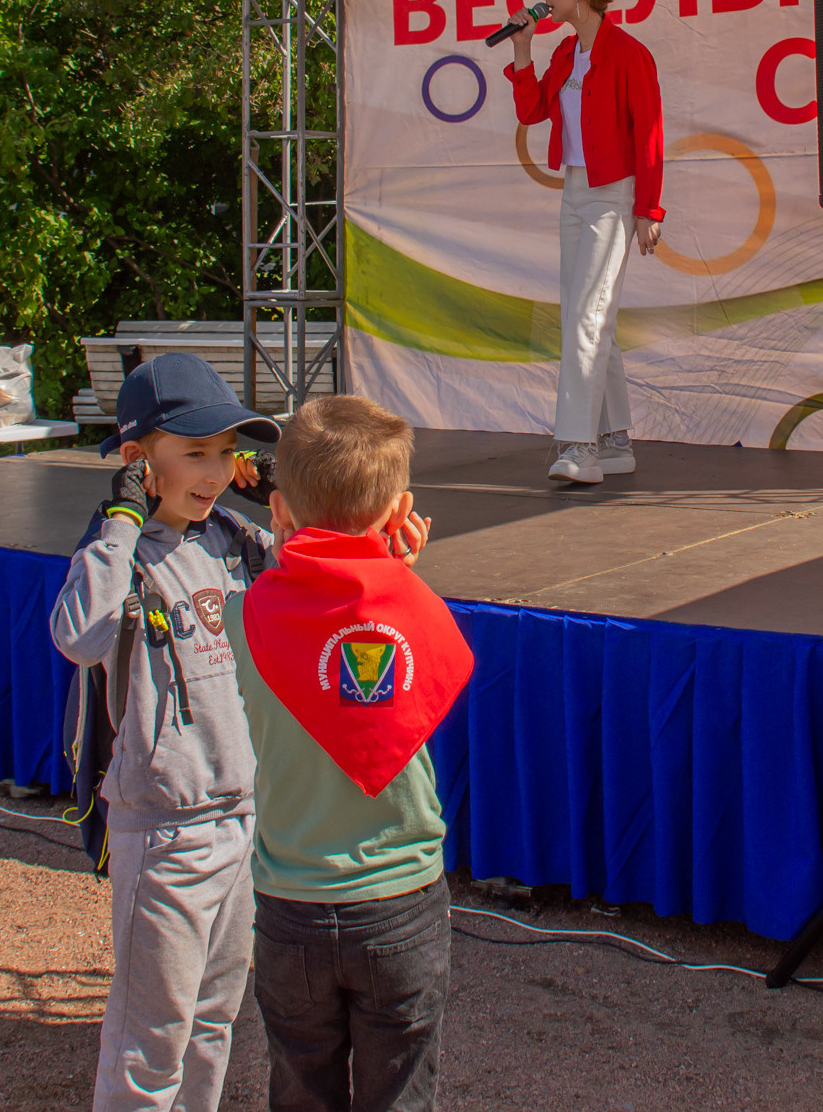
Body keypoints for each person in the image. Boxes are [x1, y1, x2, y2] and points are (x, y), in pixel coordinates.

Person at [50, 353, 281, 1112]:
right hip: (166, 834)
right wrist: (120, 521)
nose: (213, 473)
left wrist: (284, 502)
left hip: (239, 820)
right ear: (136, 461)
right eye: (193, 454)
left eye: (226, 454)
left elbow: (313, 584)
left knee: (215, 1020)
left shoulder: (234, 540)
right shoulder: (116, 554)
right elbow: (80, 634)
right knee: (152, 1037)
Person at [241, 395, 454, 1112]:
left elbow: (300, 600)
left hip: (291, 901)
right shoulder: (417, 608)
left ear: (277, 512)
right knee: (400, 1093)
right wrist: (399, 574)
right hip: (400, 899)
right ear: (399, 515)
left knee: (302, 1087)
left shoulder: (250, 617)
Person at [498, 0, 665, 487]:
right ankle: (616, 441)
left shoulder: (629, 53)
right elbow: (532, 111)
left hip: (614, 196)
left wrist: (648, 210)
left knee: (585, 320)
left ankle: (578, 447)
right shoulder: (567, 51)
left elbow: (650, 139)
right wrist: (522, 48)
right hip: (574, 192)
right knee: (587, 313)